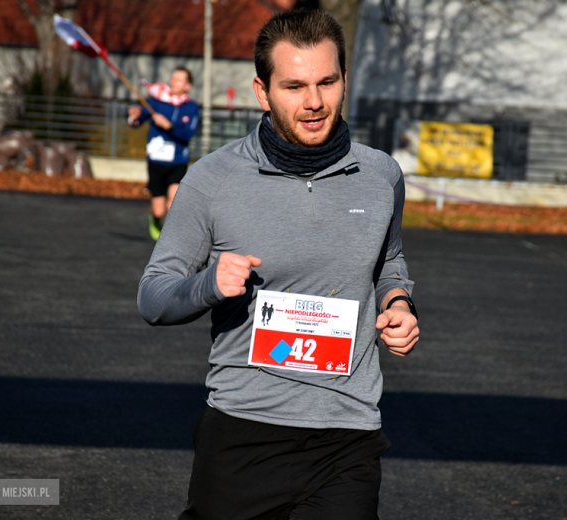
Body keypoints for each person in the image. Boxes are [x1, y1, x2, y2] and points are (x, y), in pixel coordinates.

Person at [138, 9, 419, 520]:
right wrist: (209, 284)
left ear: (344, 80)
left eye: (326, 82)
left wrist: (398, 302)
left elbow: (387, 259)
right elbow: (154, 296)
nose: (314, 102)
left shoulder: (381, 175)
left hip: (347, 435)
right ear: (262, 92)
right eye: (294, 86)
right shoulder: (213, 179)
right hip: (243, 433)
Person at [128, 67, 200, 240]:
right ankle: (155, 218)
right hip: (156, 161)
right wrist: (134, 117)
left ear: (187, 86)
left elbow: (188, 134)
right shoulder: (156, 102)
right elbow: (138, 120)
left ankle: (172, 239)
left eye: (179, 80)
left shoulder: (191, 108)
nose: (173, 82)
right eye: (173, 78)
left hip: (177, 161)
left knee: (174, 202)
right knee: (159, 209)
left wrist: (169, 126)